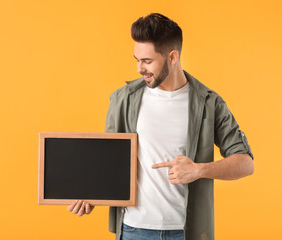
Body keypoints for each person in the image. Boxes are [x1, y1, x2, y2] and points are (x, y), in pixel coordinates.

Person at [68, 13, 254, 240]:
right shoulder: (124, 99)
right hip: (133, 230)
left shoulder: (209, 103)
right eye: (136, 59)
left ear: (173, 57)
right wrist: (90, 196)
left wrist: (198, 170)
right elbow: (108, 162)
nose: (139, 68)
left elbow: (245, 163)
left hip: (187, 232)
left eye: (147, 61)